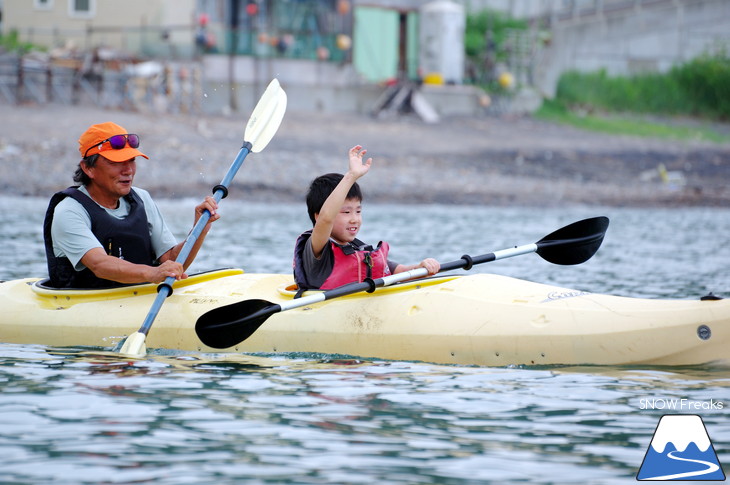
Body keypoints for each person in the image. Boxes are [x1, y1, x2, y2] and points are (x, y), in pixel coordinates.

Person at [43, 121, 220, 289]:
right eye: (115, 162)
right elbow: (100, 265)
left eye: (131, 160)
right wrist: (152, 273)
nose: (128, 170)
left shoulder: (142, 198)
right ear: (88, 168)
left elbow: (171, 259)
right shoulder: (69, 210)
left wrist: (199, 229)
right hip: (82, 304)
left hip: (135, 297)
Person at [293, 145, 440, 290]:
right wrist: (351, 176)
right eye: (346, 212)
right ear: (317, 216)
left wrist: (421, 268)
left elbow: (401, 272)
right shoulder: (316, 249)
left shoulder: (361, 251)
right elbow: (326, 219)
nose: (354, 219)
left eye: (358, 211)